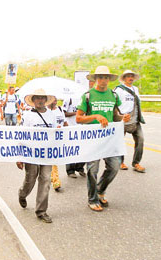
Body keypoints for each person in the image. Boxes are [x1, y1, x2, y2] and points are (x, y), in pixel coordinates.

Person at [76, 66, 131, 212]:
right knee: (92, 170)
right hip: (92, 139)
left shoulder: (113, 95)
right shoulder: (87, 96)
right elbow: (79, 118)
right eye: (100, 77)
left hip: (109, 139)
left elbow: (115, 116)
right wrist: (95, 116)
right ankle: (92, 199)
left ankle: (100, 190)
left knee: (114, 166)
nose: (103, 80)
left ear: (109, 79)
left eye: (106, 77)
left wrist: (122, 118)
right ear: (95, 79)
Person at [17, 88, 56, 223]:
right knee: (31, 178)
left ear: (46, 100)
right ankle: (23, 193)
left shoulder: (52, 115)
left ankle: (41, 211)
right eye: (37, 98)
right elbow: (21, 135)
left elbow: (55, 134)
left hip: (47, 153)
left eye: (42, 98)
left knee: (45, 180)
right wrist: (19, 156)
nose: (40, 100)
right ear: (33, 101)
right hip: (31, 153)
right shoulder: (27, 116)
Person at [114, 70, 146, 173]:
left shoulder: (135, 89)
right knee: (119, 142)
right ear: (124, 78)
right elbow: (114, 104)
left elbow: (137, 103)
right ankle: (121, 162)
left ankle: (136, 163)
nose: (130, 78)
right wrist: (119, 116)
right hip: (123, 119)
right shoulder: (118, 90)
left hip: (135, 119)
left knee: (140, 140)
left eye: (132, 76)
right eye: (128, 76)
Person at [48, 96, 68, 191]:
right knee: (53, 159)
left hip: (59, 138)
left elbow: (65, 123)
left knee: (55, 159)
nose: (55, 101)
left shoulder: (60, 109)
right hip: (49, 138)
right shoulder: (46, 112)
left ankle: (52, 175)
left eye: (56, 99)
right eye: (53, 99)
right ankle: (56, 181)